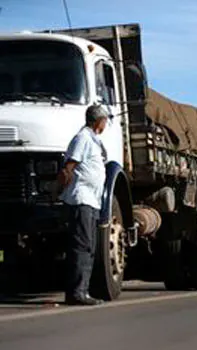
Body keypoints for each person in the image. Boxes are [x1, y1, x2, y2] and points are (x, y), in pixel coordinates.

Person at [58, 104, 109, 306]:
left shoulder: (93, 140)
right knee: (83, 246)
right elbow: (69, 167)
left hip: (91, 201)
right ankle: (78, 293)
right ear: (99, 121)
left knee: (88, 246)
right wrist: (60, 191)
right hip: (82, 200)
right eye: (105, 120)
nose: (106, 124)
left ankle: (82, 290)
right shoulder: (83, 138)